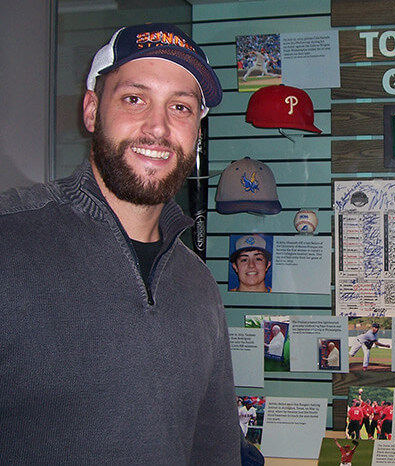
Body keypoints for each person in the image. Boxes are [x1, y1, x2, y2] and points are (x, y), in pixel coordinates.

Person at [0, 23, 246, 463]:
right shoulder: (10, 240)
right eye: (135, 99)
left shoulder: (198, 285)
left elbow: (215, 450)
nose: (158, 127)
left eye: (181, 107)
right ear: (92, 110)